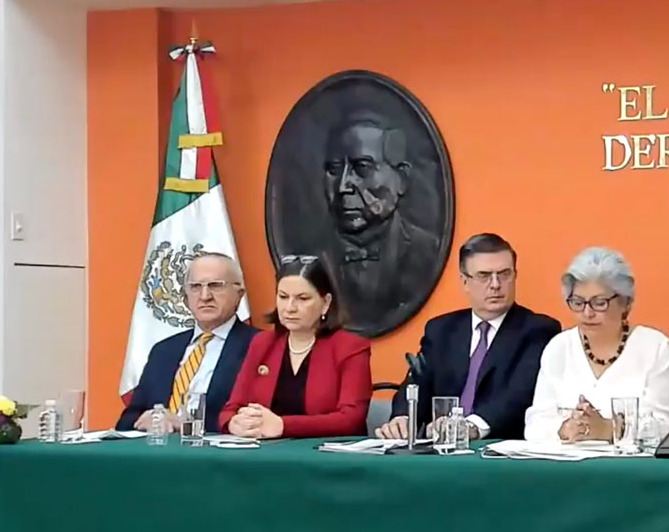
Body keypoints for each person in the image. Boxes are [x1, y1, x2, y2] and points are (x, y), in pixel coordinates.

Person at [376, 234, 560, 440]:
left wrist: (470, 427)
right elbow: (417, 382)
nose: (496, 284)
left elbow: (519, 395)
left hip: (497, 450)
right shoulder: (441, 330)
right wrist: (402, 418)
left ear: (515, 275)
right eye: (484, 275)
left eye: (504, 274)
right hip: (439, 448)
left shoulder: (538, 330)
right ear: (464, 281)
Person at [523, 247, 669, 443]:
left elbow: (666, 426)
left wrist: (609, 429)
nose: (587, 313)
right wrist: (565, 429)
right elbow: (536, 422)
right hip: (565, 468)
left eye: (599, 303)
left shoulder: (655, 347)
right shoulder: (559, 347)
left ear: (625, 302)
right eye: (578, 302)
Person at [220, 255, 372, 438]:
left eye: (303, 298)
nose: (290, 307)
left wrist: (283, 425)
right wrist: (234, 423)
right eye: (283, 297)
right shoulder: (263, 343)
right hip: (266, 454)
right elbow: (231, 409)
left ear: (326, 303)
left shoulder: (350, 347)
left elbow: (351, 419)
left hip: (327, 457)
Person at [321, 111, 442, 333]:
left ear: (401, 179)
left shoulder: (426, 251)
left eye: (362, 168)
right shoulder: (311, 258)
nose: (343, 186)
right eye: (334, 170)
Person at [116, 252, 257, 434]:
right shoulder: (164, 350)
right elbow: (127, 419)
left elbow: (254, 419)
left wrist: (186, 425)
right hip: (158, 452)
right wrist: (150, 418)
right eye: (196, 287)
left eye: (215, 286)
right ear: (186, 296)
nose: (205, 296)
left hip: (216, 457)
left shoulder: (259, 346)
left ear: (239, 294)